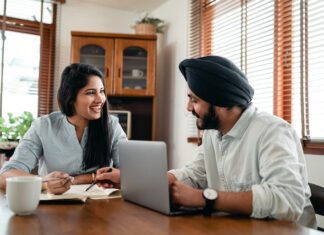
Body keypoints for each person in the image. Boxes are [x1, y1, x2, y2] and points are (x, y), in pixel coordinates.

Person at [167, 56, 317, 228]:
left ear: (221, 102)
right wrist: (163, 180)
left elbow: (287, 199)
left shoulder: (272, 131)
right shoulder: (212, 133)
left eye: (195, 100)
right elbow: (197, 173)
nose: (188, 107)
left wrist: (204, 198)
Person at [0, 63, 126, 194]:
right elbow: (6, 175)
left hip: (102, 206)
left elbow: (130, 173)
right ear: (70, 97)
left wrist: (78, 180)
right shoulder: (43, 126)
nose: (100, 99)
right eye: (90, 93)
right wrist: (44, 183)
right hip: (53, 207)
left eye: (101, 91)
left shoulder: (111, 126)